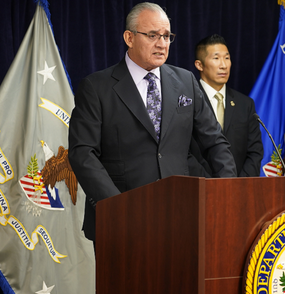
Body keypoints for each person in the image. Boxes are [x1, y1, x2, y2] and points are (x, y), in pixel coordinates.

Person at [68, 2, 236, 242]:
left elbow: (215, 142)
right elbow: (82, 153)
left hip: (183, 217)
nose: (162, 44)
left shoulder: (186, 81)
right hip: (122, 222)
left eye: (167, 36)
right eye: (152, 35)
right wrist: (118, 207)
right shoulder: (96, 87)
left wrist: (226, 193)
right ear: (129, 37)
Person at [190, 34, 263, 177]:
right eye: (216, 58)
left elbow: (255, 152)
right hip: (199, 187)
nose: (223, 65)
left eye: (227, 58)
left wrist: (238, 186)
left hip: (239, 190)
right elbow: (184, 152)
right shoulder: (188, 101)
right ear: (199, 65)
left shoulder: (245, 104)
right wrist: (210, 185)